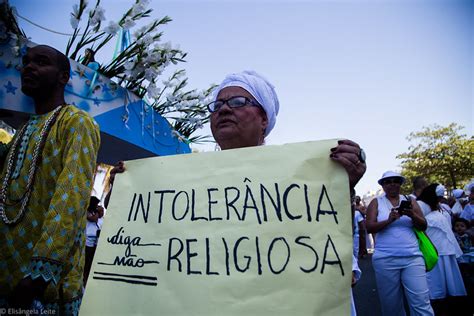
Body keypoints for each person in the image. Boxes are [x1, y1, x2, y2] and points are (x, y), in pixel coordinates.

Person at [0, 45, 100, 314]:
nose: (28, 67)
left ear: (63, 77)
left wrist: (38, 275)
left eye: (41, 62)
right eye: (26, 62)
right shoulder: (21, 132)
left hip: (42, 289)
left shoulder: (77, 122)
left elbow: (70, 200)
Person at [366, 171, 434, 316]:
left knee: (421, 302)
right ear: (382, 185)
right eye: (387, 181)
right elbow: (369, 227)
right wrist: (388, 220)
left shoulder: (410, 200)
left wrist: (412, 215)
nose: (392, 184)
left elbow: (423, 225)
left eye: (396, 181)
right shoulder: (376, 202)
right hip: (385, 259)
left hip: (413, 258)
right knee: (391, 305)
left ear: (401, 184)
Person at [417, 184, 467, 315]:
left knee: (449, 283)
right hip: (434, 249)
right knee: (436, 285)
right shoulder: (422, 205)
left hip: (446, 248)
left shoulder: (440, 207)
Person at [83, 197, 104, 287]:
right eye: (95, 204)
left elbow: (101, 213)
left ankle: (86, 279)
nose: (96, 206)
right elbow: (93, 219)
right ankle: (83, 279)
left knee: (91, 261)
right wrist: (97, 211)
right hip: (88, 241)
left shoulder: (93, 211)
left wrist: (98, 210)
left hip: (94, 240)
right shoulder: (87, 211)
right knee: (86, 261)